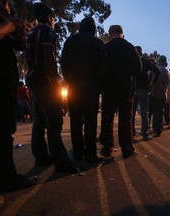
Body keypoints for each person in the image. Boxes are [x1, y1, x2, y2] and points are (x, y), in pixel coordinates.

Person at [0, 0, 36, 191]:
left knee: (3, 128)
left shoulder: (9, 8)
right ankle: (6, 177)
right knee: (0, 128)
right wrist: (11, 26)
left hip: (6, 71)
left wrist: (21, 31)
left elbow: (19, 44)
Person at [26, 3, 80, 171]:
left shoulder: (32, 32)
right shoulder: (47, 31)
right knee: (54, 120)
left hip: (33, 80)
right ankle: (60, 160)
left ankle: (41, 156)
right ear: (50, 17)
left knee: (39, 120)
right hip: (44, 81)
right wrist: (54, 79)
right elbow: (48, 57)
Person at [61, 16, 106, 162]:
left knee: (75, 121)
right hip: (91, 88)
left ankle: (78, 153)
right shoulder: (98, 43)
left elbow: (63, 64)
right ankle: (91, 154)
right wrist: (99, 86)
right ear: (93, 28)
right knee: (91, 121)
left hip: (74, 87)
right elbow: (102, 67)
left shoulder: (70, 41)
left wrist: (70, 80)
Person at [99, 24, 142, 158]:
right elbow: (138, 70)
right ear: (122, 34)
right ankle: (127, 148)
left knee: (107, 118)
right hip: (125, 88)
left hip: (108, 88)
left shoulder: (105, 48)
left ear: (110, 34)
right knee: (125, 118)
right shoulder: (130, 48)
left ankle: (107, 147)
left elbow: (98, 67)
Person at [132, 46, 160, 141]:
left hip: (132, 90)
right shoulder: (145, 61)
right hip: (144, 89)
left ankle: (131, 134)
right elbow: (157, 72)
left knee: (131, 113)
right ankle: (145, 134)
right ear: (141, 52)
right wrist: (153, 83)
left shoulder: (131, 61)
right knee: (144, 113)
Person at [148, 55, 170, 137]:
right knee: (159, 112)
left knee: (150, 112)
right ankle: (158, 130)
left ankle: (147, 129)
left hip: (153, 93)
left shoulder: (154, 69)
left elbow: (149, 79)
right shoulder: (167, 72)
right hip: (162, 94)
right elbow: (168, 83)